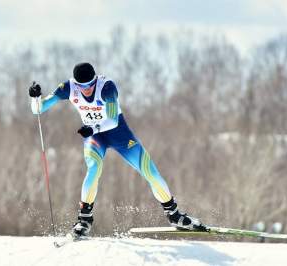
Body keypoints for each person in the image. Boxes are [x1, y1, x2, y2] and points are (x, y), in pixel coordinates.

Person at [29, 62, 206, 237]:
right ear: (76, 83)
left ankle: (174, 215)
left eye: (90, 85)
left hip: (119, 134)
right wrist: (35, 98)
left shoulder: (107, 87)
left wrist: (93, 128)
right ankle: (84, 220)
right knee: (93, 168)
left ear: (95, 80)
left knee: (150, 171)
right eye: (82, 87)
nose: (87, 90)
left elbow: (113, 120)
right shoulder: (68, 87)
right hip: (95, 137)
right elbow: (39, 109)